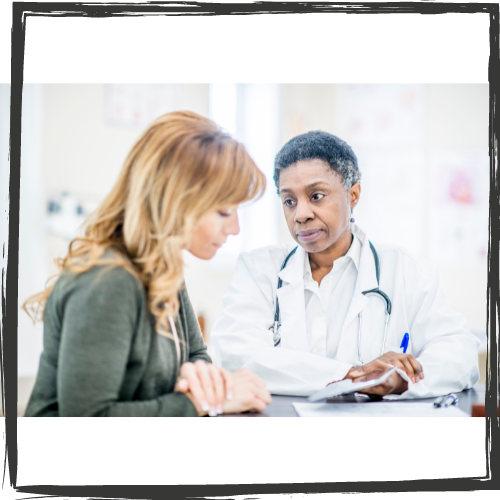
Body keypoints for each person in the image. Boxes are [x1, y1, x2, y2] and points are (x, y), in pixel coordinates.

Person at [24, 111, 271, 417]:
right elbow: (87, 419)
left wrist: (207, 381)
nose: (234, 228)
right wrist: (203, 402)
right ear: (175, 201)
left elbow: (195, 355)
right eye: (223, 211)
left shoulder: (164, 267)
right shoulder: (108, 281)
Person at [211, 130, 480, 399]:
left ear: (353, 194)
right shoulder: (259, 270)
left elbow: (460, 352)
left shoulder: (406, 271)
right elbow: (237, 356)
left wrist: (400, 381)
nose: (300, 215)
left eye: (316, 196)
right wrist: (352, 375)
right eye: (289, 201)